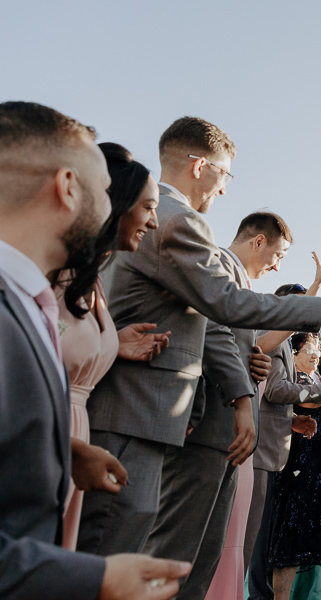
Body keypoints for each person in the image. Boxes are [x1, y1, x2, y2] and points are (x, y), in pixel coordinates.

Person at [79, 116, 321, 558]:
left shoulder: (164, 218)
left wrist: (242, 379)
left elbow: (209, 326)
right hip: (135, 406)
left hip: (156, 410)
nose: (225, 188)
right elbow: (226, 305)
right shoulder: (177, 221)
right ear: (200, 166)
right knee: (117, 547)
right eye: (225, 173)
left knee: (143, 547)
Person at [0, 100, 189, 600]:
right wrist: (95, 579)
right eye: (106, 192)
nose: (114, 209)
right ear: (67, 188)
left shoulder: (27, 299)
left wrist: (64, 449)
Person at [143, 212, 305, 598]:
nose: (277, 265)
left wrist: (255, 362)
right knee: (178, 551)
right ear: (258, 242)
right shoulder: (216, 267)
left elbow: (232, 346)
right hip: (205, 423)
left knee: (207, 553)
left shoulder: (242, 284)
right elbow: (208, 335)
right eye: (278, 254)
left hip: (228, 434)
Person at [57, 142, 171, 550]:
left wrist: (112, 343)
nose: (154, 222)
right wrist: (66, 449)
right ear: (116, 204)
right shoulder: (57, 271)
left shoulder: (94, 279)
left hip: (76, 433)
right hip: (53, 435)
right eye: (148, 207)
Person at [245, 278, 321, 600]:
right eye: (301, 305)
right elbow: (276, 391)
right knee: (258, 537)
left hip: (278, 448)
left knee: (264, 535)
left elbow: (270, 399)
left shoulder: (281, 343)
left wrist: (292, 421)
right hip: (264, 451)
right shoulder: (277, 344)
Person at [268, 334, 321, 600]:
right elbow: (309, 403)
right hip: (302, 468)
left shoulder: (317, 380)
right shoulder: (296, 378)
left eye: (318, 349)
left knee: (308, 536)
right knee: (292, 535)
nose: (316, 354)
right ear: (292, 354)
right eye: (309, 349)